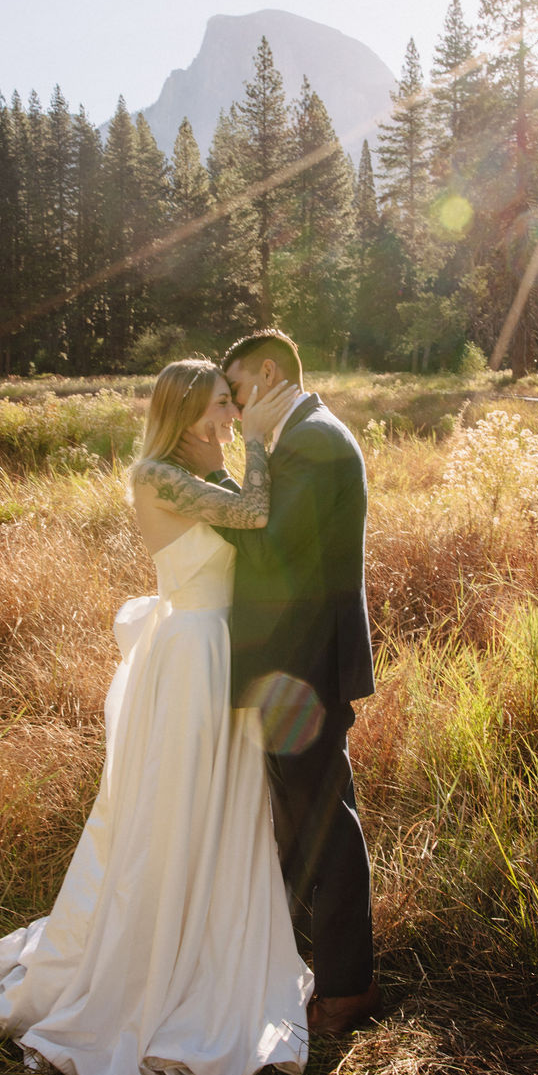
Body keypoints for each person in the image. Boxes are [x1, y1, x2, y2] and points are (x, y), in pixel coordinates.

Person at [0, 360, 312, 1075]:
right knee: (174, 808)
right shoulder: (156, 475)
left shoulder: (202, 474)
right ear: (187, 412)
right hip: (192, 655)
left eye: (234, 405)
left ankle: (206, 942)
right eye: (224, 404)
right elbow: (255, 512)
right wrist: (259, 441)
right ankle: (154, 961)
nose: (232, 413)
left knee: (218, 811)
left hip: (222, 652)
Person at [179, 329, 379, 1037]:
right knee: (310, 820)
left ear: (267, 375)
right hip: (302, 663)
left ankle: (345, 991)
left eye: (235, 392)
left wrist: (204, 492)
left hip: (296, 669)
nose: (232, 410)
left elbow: (268, 544)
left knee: (325, 828)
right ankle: (301, 968)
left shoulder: (309, 441)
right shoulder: (312, 434)